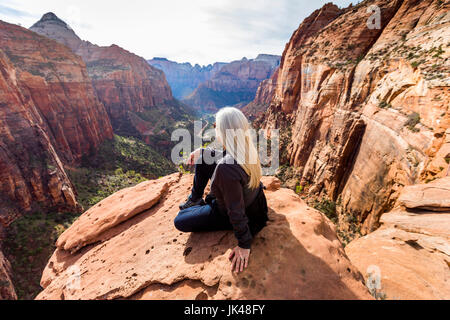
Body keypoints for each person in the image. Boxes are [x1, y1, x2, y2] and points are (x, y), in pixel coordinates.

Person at [174, 107, 268, 273]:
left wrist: (244, 244)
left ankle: (199, 205)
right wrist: (203, 152)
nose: (214, 127)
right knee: (204, 157)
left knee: (180, 220)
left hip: (237, 213)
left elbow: (235, 210)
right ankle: (195, 199)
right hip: (256, 203)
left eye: (216, 125)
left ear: (224, 131)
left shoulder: (226, 169)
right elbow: (224, 156)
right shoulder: (246, 148)